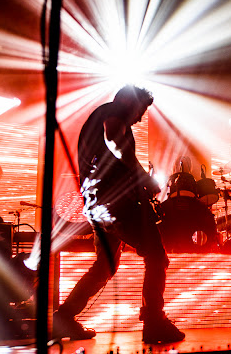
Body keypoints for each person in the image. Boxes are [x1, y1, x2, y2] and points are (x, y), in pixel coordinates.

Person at [52, 85, 185, 343]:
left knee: (105, 267)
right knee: (157, 257)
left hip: (98, 205)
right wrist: (144, 178)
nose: (140, 117)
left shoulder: (104, 117)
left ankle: (64, 318)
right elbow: (114, 141)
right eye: (140, 110)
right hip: (116, 205)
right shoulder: (113, 114)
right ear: (126, 101)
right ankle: (154, 322)